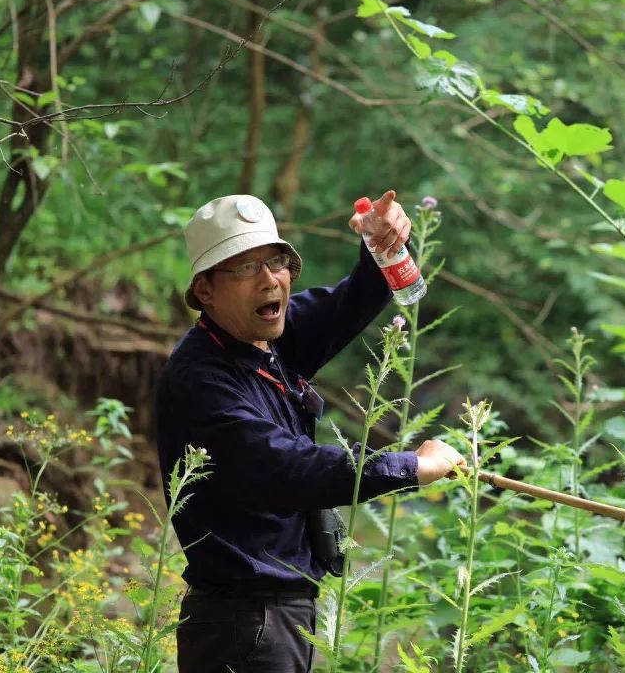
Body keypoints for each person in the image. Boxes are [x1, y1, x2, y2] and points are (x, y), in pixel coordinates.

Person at [155, 191, 465, 673]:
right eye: (243, 267)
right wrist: (412, 467)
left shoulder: (265, 338)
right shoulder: (201, 381)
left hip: (273, 617)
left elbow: (353, 300)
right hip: (243, 625)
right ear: (205, 291)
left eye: (275, 261)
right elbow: (291, 467)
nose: (268, 279)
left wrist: (381, 244)